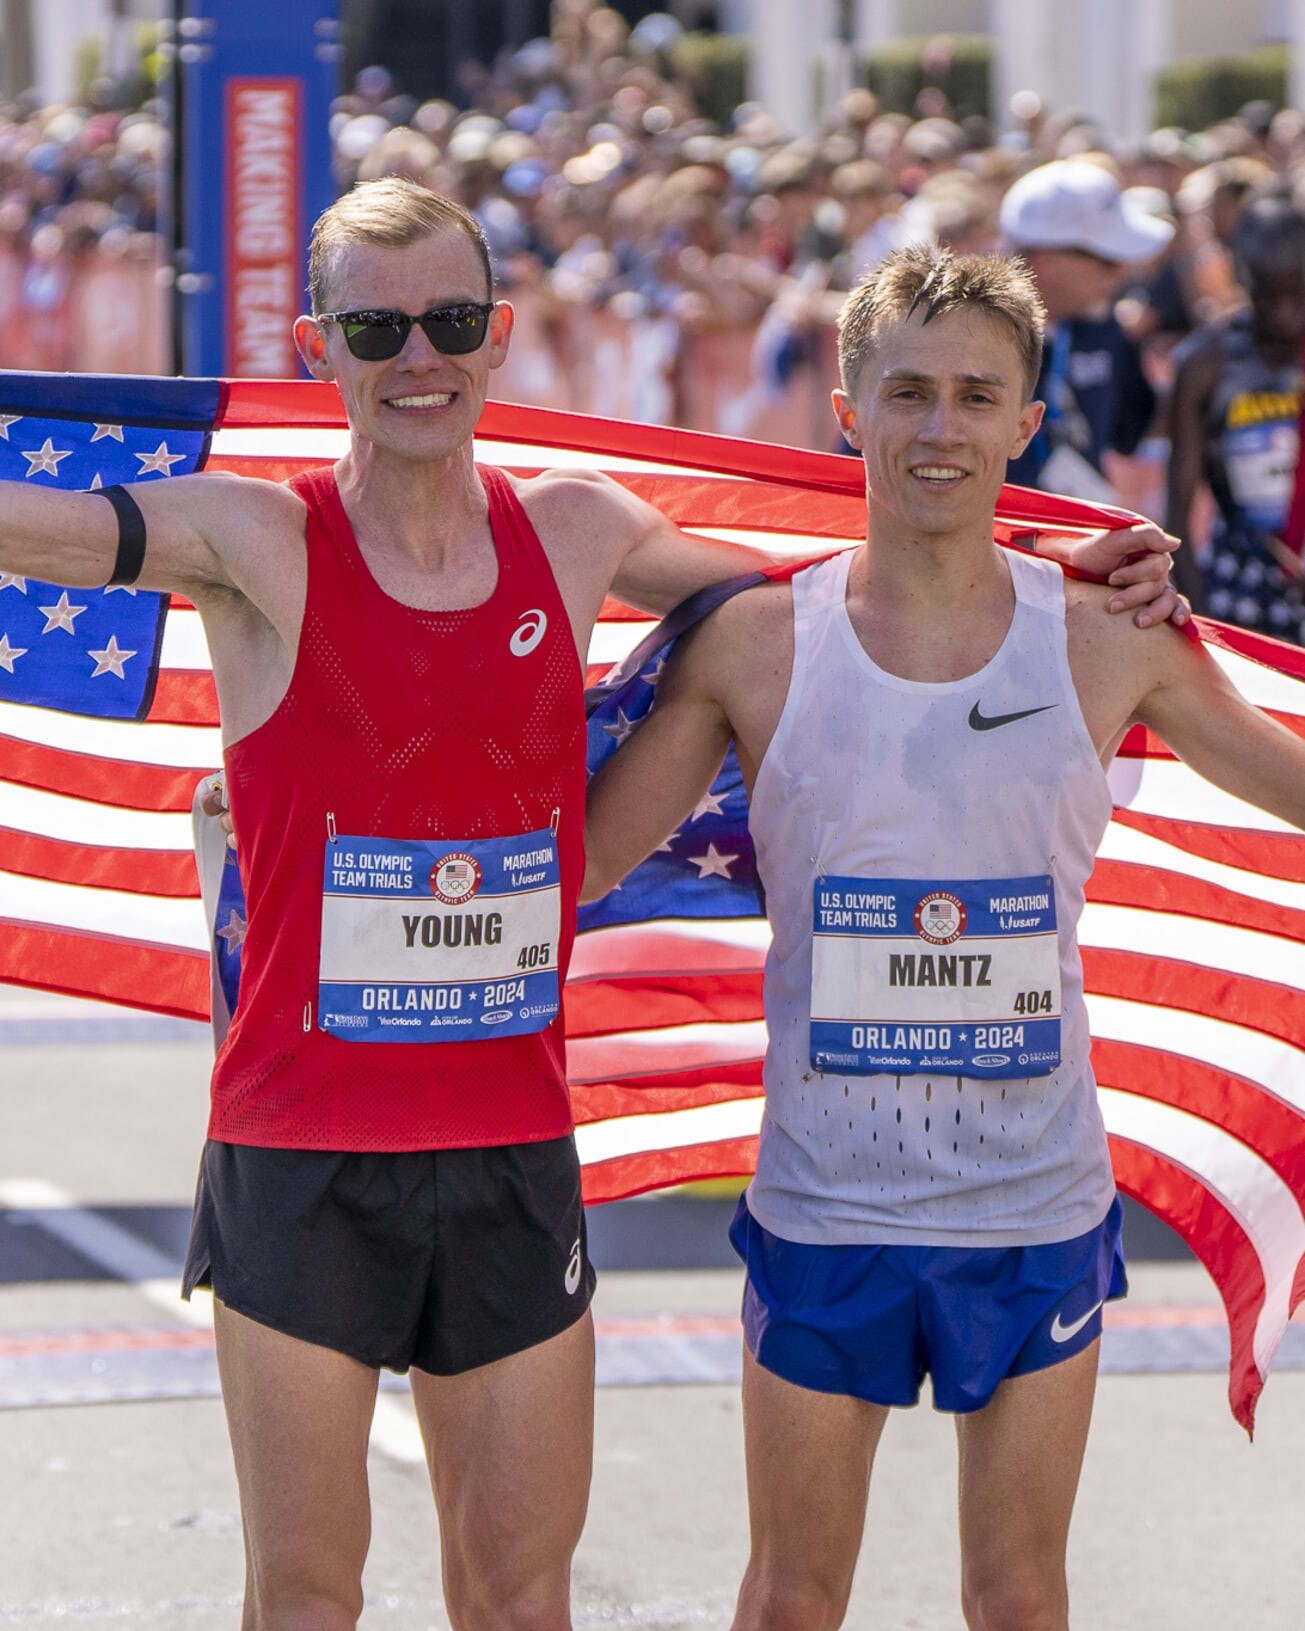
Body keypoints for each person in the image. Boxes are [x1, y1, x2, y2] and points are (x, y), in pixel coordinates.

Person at [0, 177, 1177, 1629]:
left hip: (509, 1147)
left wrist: (1049, 569)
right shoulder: (254, 536)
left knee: (520, 1597)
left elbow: (840, 604)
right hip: (300, 1152)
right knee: (306, 1595)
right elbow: (39, 529)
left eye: (449, 321)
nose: (417, 355)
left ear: (498, 337)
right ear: (318, 347)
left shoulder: (576, 528)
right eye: (375, 327)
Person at [581, 245, 1305, 1631]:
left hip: (1034, 1208)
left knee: (1018, 1597)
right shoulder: (755, 641)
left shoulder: (1108, 635)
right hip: (827, 1205)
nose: (940, 428)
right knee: (793, 1598)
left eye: (977, 396)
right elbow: (583, 861)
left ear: (1024, 422)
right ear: (847, 408)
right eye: (908, 392)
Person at [1166, 191, 1305, 636]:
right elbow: (1178, 508)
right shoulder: (1207, 364)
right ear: (1244, 279)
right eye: (1270, 297)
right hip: (1239, 587)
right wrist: (1201, 624)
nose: (1286, 314)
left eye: (1298, 294)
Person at [1000, 158, 1173, 504]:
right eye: (1107, 260)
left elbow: (1134, 429)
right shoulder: (968, 340)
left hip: (1076, 532)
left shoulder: (1105, 329)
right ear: (1046, 259)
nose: (1121, 272)